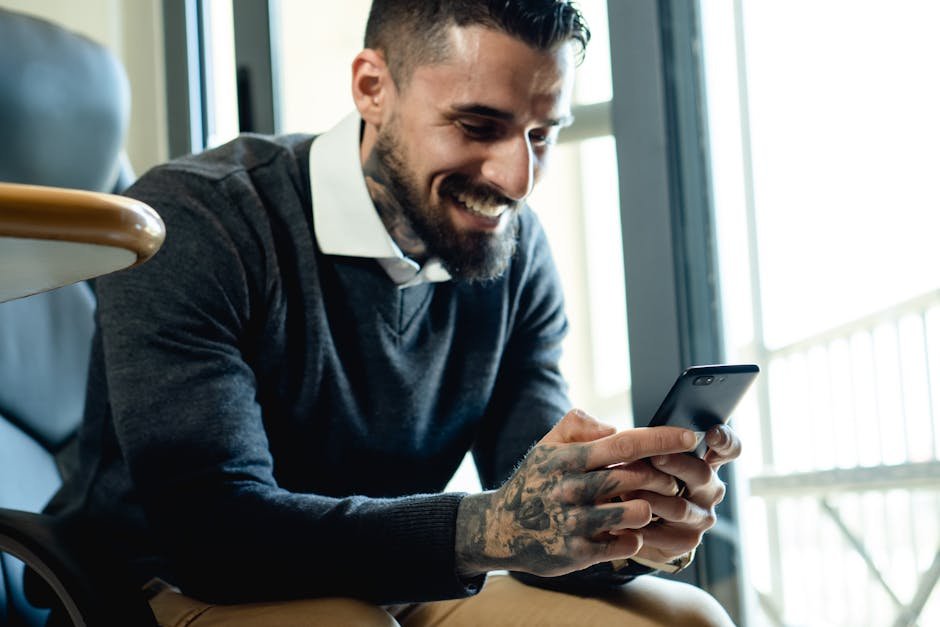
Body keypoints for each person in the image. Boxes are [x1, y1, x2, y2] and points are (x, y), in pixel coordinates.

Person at [46, 1, 741, 624]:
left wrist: (626, 521)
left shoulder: (510, 250)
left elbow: (531, 511)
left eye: (541, 135)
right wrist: (487, 528)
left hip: (389, 577)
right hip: (164, 583)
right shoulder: (199, 222)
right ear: (372, 88)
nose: (516, 179)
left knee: (683, 618)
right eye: (478, 124)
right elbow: (214, 530)